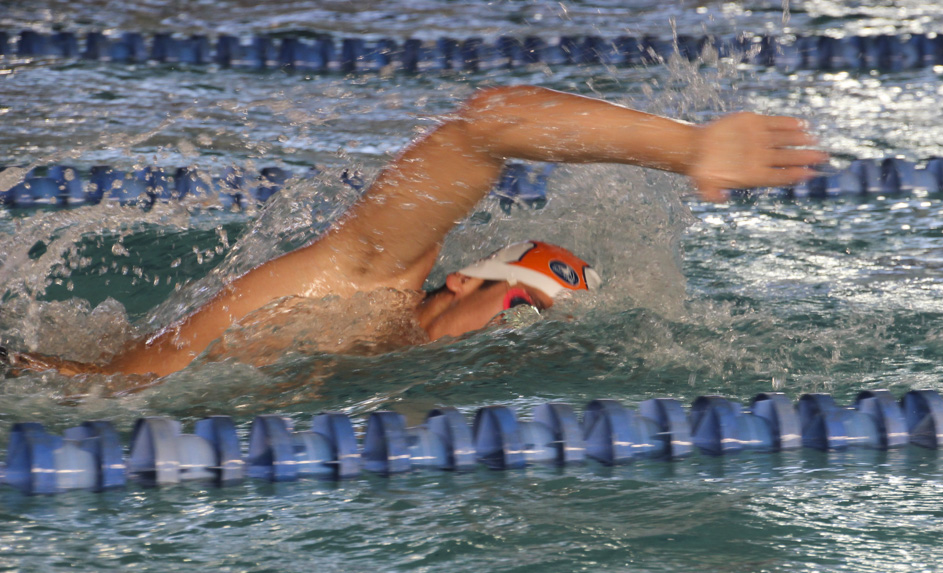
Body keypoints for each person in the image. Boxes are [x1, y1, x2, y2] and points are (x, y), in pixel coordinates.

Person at [4, 85, 826, 378]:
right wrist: (687, 148)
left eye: (533, 321)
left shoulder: (384, 360)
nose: (515, 331)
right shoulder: (368, 277)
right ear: (466, 278)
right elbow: (483, 125)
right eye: (518, 303)